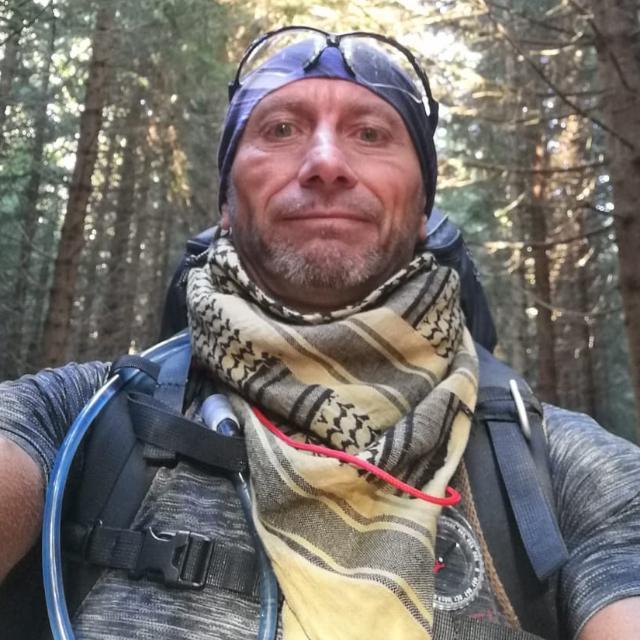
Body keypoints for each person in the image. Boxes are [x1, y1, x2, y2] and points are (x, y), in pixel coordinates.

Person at [1, 26, 639, 640]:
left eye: (371, 133)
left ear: (424, 210)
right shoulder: (76, 419)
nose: (326, 163)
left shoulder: (563, 471)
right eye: (280, 129)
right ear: (226, 205)